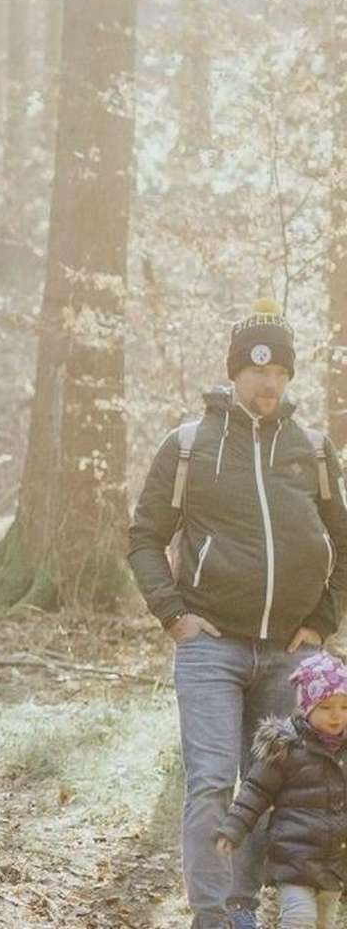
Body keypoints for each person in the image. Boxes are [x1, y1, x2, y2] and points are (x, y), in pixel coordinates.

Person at [127, 299, 347, 929]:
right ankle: (213, 916)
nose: (268, 380)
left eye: (279, 368)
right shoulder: (190, 445)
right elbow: (145, 537)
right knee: (213, 782)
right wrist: (173, 614)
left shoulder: (313, 449)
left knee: (268, 784)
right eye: (256, 369)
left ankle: (244, 911)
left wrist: (323, 620)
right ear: (233, 373)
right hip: (210, 646)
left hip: (289, 653)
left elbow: (344, 541)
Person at [215, 651, 347, 929]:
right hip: (294, 855)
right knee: (299, 919)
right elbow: (256, 791)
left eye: (344, 707)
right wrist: (234, 827)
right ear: (306, 707)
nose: (336, 716)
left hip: (335, 859)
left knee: (324, 922)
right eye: (325, 708)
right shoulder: (286, 747)